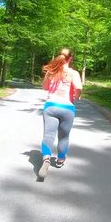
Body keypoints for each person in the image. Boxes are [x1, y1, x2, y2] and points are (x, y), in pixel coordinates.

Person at [38, 48, 83, 178]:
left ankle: (46, 159)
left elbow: (45, 87)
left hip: (51, 106)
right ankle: (60, 160)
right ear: (70, 59)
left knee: (48, 135)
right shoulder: (73, 73)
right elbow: (78, 87)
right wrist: (76, 95)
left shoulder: (51, 72)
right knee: (63, 136)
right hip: (67, 108)